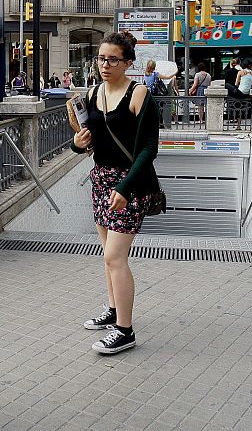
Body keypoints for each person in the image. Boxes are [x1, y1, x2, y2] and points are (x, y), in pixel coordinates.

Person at [71, 32, 160, 355]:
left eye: (113, 60)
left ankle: (125, 330)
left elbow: (149, 147)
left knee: (114, 256)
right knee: (107, 252)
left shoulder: (139, 94)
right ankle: (113, 309)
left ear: (128, 63)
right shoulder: (92, 93)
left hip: (131, 183)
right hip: (101, 179)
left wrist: (125, 188)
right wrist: (77, 144)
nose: (105, 65)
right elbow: (88, 142)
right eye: (101, 58)